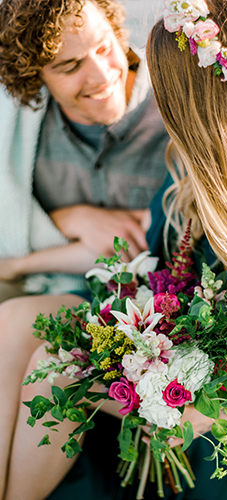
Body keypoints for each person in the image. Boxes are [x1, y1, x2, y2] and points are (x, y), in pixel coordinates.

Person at [2, 1, 227, 500]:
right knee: (16, 326)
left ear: (191, 112)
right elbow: (144, 264)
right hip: (168, 364)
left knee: (55, 372)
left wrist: (203, 413)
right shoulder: (189, 182)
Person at [0, 0, 169, 498]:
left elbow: (145, 237)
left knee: (17, 327)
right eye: (69, 66)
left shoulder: (171, 105)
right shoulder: (21, 121)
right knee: (11, 323)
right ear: (34, 79)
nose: (101, 74)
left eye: (104, 46)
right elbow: (12, 207)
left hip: (149, 310)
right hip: (63, 290)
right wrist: (64, 218)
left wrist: (22, 261)